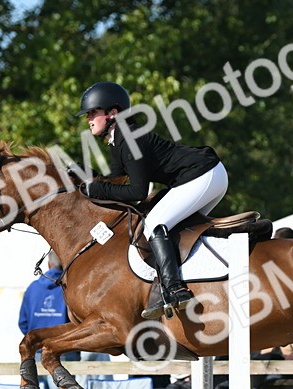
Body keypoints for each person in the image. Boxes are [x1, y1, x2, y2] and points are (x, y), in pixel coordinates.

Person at [72, 81, 228, 319]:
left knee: (156, 222)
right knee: (173, 227)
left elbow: (137, 192)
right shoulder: (118, 139)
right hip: (202, 176)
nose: (88, 118)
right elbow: (116, 180)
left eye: (93, 112)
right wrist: (88, 178)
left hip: (204, 175)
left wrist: (97, 188)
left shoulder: (129, 138)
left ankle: (175, 290)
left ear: (112, 113)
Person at [18, 253, 75, 389]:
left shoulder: (33, 288)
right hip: (62, 356)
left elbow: (23, 323)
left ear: (48, 263)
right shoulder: (68, 287)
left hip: (34, 354)